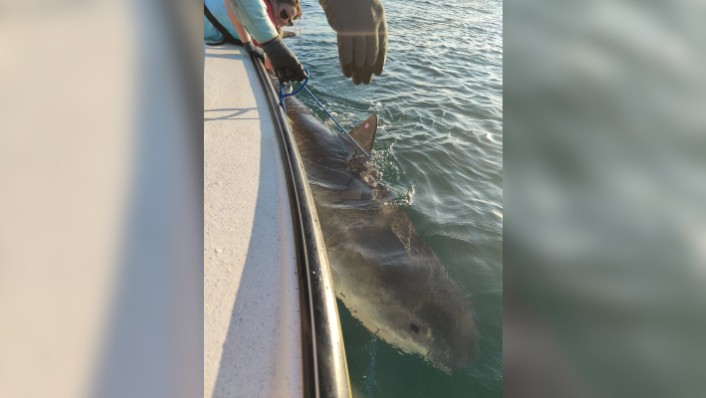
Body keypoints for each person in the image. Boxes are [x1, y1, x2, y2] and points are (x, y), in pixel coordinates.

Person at [226, 0, 387, 84]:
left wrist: (250, 44)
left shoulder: (267, 29)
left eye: (288, 21)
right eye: (284, 14)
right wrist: (271, 44)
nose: (284, 22)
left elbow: (233, 5)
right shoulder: (263, 9)